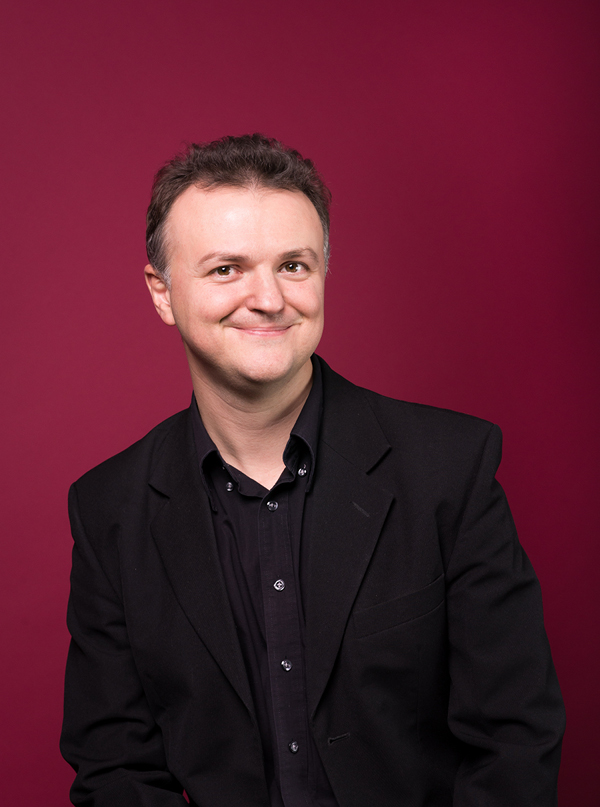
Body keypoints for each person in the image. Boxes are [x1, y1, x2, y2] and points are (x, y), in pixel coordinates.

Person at [61, 134, 565, 807]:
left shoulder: (448, 468)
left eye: (293, 265)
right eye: (226, 269)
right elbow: (115, 770)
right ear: (162, 292)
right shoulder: (109, 510)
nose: (269, 298)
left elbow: (515, 741)